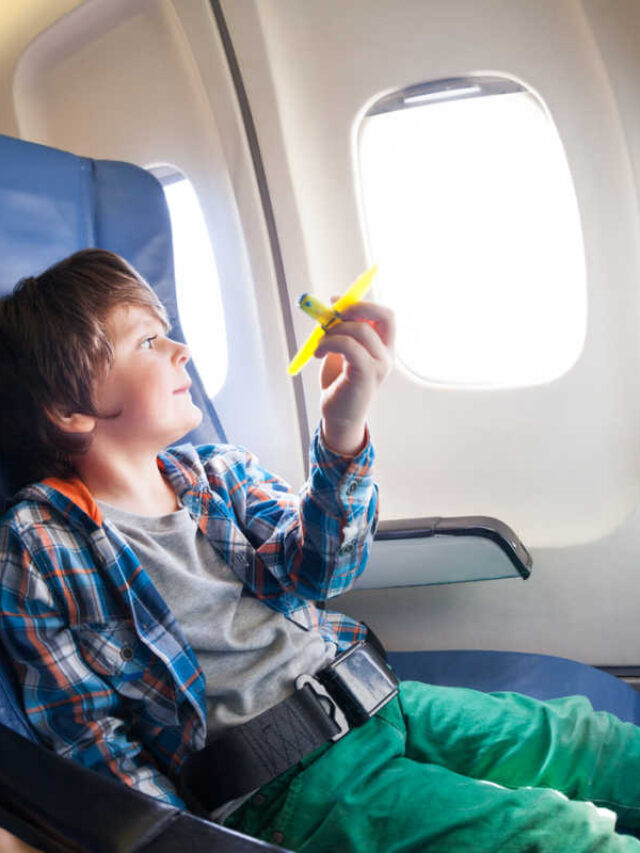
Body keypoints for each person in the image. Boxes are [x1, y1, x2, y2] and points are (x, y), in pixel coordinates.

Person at [1, 249, 640, 853]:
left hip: (377, 699)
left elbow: (320, 571)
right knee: (554, 836)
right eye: (148, 341)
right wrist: (185, 841)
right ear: (69, 408)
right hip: (286, 785)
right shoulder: (38, 542)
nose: (181, 350)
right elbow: (87, 734)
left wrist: (343, 429)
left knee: (588, 741)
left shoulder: (216, 472)